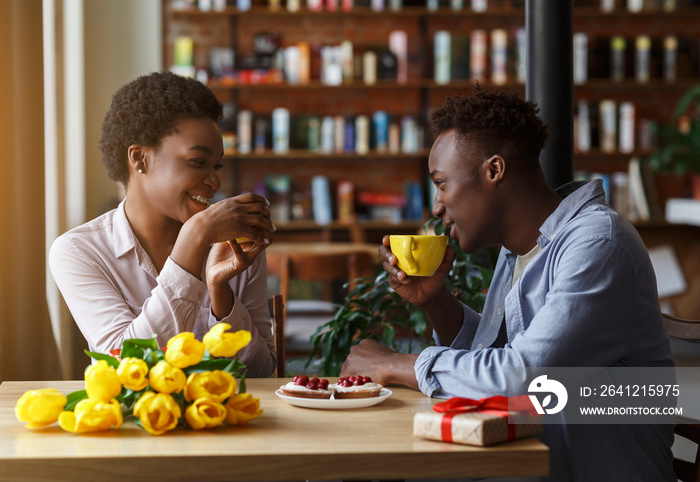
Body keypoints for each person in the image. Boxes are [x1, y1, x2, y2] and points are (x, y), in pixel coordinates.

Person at [340, 89, 676, 481]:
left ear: (494, 170)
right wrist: (436, 301)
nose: (436, 206)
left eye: (442, 183)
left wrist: (394, 365)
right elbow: (495, 358)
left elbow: (524, 376)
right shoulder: (518, 249)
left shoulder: (598, 245)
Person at [50, 72, 277, 377]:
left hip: (228, 421)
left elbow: (262, 374)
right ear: (139, 158)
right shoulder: (79, 252)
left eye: (217, 165)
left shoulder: (233, 246)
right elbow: (124, 370)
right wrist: (194, 238)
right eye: (198, 162)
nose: (215, 180)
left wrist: (220, 292)